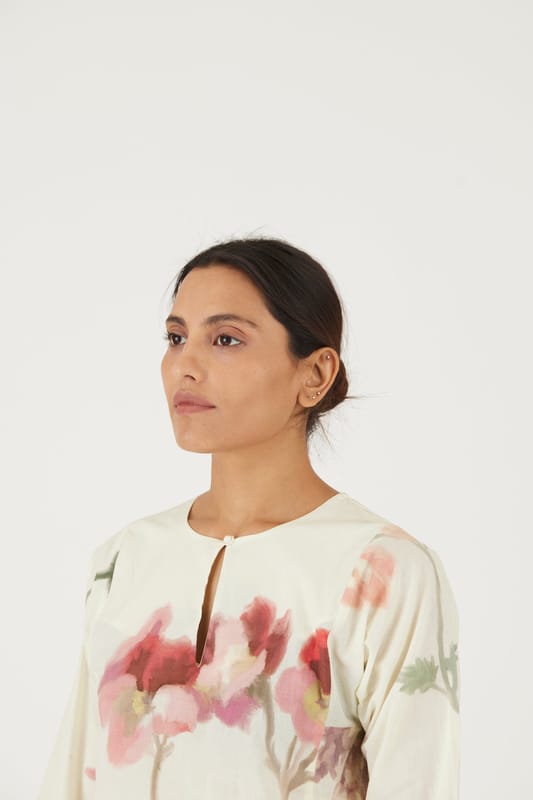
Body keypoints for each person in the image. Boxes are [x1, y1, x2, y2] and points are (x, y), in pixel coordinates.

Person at [37, 237, 460, 799]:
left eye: (226, 339)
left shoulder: (383, 572)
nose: (185, 366)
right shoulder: (123, 559)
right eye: (176, 337)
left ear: (315, 374)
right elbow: (72, 776)